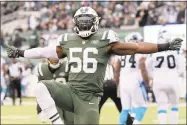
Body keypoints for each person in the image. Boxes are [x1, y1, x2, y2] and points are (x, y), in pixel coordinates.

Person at [5, 6, 182, 124]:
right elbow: (44, 52)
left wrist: (163, 46)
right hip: (70, 90)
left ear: (95, 22)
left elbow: (136, 47)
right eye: (81, 21)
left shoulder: (106, 41)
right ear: (75, 23)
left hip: (89, 98)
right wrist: (20, 53)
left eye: (86, 21)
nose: (84, 25)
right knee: (40, 88)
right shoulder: (67, 41)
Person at [143, 30, 185, 124]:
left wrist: (153, 76)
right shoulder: (175, 52)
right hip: (172, 81)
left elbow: (147, 66)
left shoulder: (153, 53)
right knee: (174, 106)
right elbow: (182, 65)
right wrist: (176, 74)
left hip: (158, 81)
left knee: (161, 106)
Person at [114, 32, 148, 124]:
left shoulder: (121, 53)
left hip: (123, 82)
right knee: (142, 107)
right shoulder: (140, 53)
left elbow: (116, 70)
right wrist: (147, 83)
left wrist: (118, 84)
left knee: (125, 109)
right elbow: (143, 68)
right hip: (135, 81)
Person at [35, 57, 74, 124]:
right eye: (52, 56)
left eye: (56, 57)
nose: (55, 59)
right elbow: (40, 91)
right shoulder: (41, 69)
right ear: (47, 58)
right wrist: (40, 109)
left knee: (71, 122)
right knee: (58, 122)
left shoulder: (67, 66)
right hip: (54, 102)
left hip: (68, 100)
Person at [99, 57, 133, 125]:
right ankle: (130, 122)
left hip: (103, 85)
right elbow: (117, 72)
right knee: (122, 108)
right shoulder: (112, 63)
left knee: (96, 109)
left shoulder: (99, 65)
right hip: (114, 85)